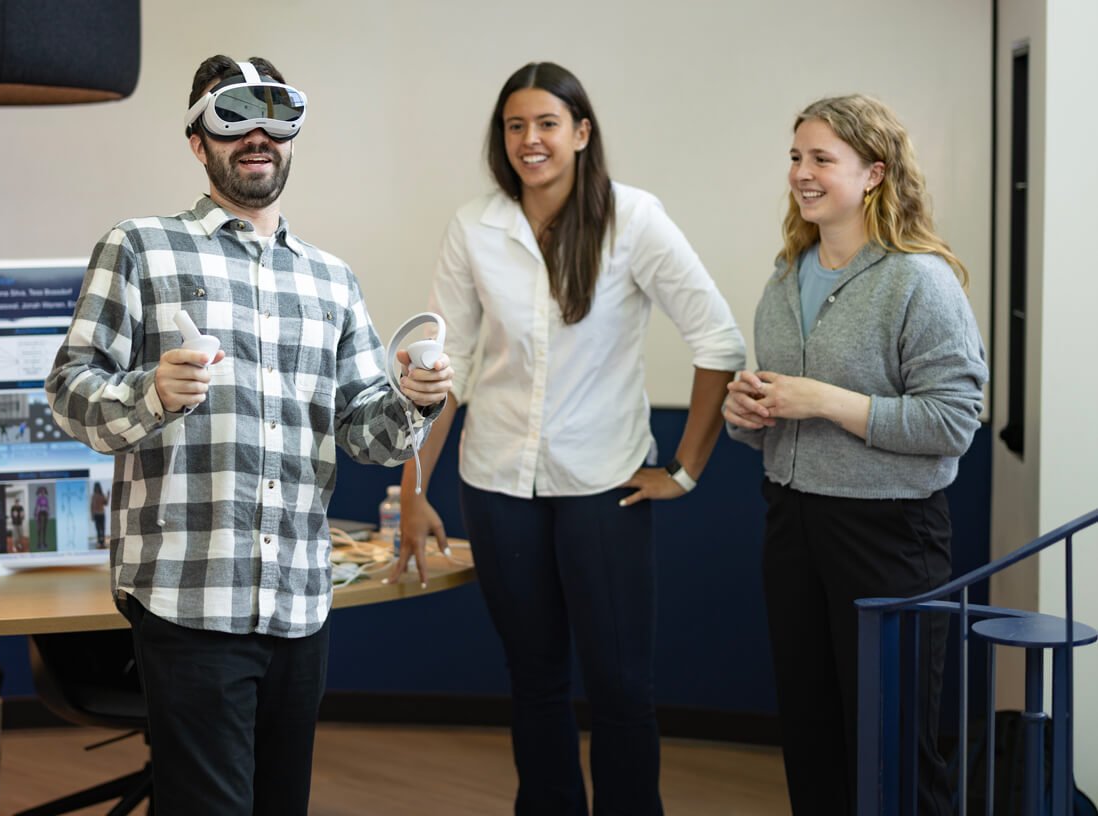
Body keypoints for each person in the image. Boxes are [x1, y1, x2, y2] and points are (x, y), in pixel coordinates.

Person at [44, 54, 453, 815]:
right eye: (233, 119)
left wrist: (412, 399)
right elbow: (69, 393)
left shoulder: (331, 280)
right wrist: (150, 392)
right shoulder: (139, 247)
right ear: (198, 142)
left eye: (274, 118)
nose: (257, 135)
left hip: (300, 602)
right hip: (189, 599)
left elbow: (368, 434)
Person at [390, 62, 746, 815]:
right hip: (496, 487)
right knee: (536, 682)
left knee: (620, 688)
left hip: (603, 490)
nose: (530, 140)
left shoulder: (634, 219)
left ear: (582, 133)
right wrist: (413, 488)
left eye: (547, 124)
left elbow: (718, 340)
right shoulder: (475, 226)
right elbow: (442, 370)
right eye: (515, 126)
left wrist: (683, 472)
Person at [723, 94, 986, 816]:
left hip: (889, 536)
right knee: (810, 731)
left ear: (874, 174)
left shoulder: (918, 280)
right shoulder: (786, 277)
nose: (801, 174)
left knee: (893, 741)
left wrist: (825, 401)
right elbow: (775, 417)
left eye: (821, 160)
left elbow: (955, 419)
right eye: (795, 157)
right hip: (793, 524)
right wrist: (745, 413)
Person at [89, 482, 108, 548]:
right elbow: (91, 506)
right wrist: (91, 515)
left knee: (102, 529)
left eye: (98, 487)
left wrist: (108, 496)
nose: (97, 488)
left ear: (99, 487)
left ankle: (103, 542)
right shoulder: (93, 496)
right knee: (98, 529)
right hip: (96, 514)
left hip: (102, 514)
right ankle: (99, 542)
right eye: (96, 487)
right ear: (95, 488)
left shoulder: (102, 495)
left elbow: (106, 503)